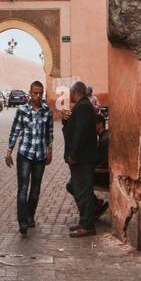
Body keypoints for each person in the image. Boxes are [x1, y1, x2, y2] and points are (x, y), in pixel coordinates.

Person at [4, 80, 53, 236]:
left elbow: (49, 133)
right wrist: (9, 150)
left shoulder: (47, 111)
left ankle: (30, 216)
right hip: (24, 154)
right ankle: (22, 221)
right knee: (23, 188)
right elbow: (15, 131)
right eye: (35, 93)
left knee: (36, 189)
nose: (38, 96)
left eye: (40, 93)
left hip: (40, 155)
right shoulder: (22, 110)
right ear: (30, 93)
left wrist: (50, 150)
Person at [62, 81, 100, 237]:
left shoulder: (83, 106)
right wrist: (66, 119)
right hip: (81, 157)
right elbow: (73, 127)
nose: (69, 95)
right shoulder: (81, 106)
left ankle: (88, 225)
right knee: (80, 189)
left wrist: (73, 155)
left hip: (82, 158)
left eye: (70, 92)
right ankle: (86, 220)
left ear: (75, 92)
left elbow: (81, 133)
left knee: (82, 190)